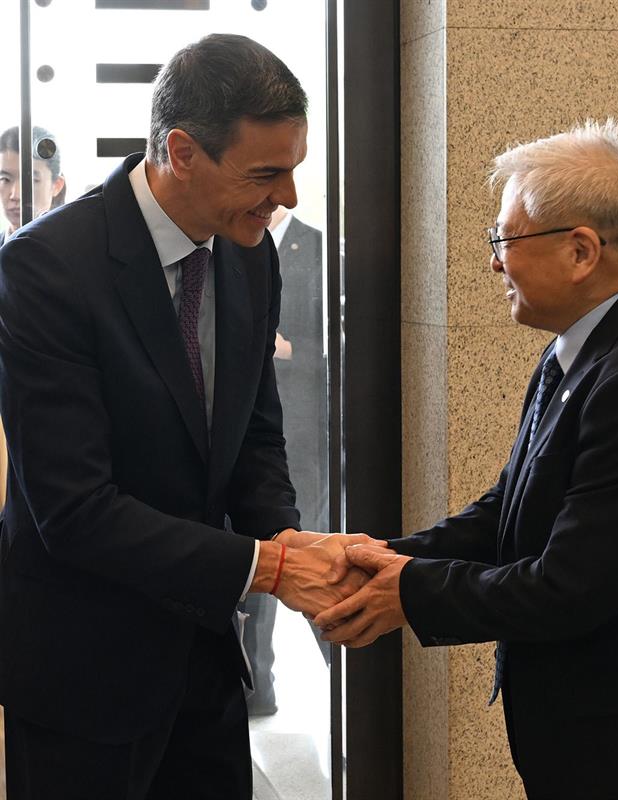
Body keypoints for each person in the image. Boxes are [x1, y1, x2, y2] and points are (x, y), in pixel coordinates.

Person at [314, 119, 618, 799]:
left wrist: (409, 591)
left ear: (580, 251)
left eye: (504, 239)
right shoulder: (580, 351)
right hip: (601, 750)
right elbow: (504, 515)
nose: (493, 260)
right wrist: (380, 558)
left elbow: (570, 588)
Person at [0, 34, 371, 799]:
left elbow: (256, 437)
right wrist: (266, 567)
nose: (290, 199)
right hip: (84, 679)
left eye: (295, 169)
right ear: (181, 151)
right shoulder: (45, 269)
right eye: (267, 174)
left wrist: (293, 542)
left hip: (204, 668)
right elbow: (74, 511)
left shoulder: (248, 252)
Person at [241, 207, 331, 715]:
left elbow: (337, 338)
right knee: (257, 556)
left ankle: (341, 674)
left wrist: (289, 348)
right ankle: (257, 684)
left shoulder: (314, 246)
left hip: (300, 425)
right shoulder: (230, 242)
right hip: (251, 430)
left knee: (300, 546)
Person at [0, 125, 66, 240]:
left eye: (31, 180)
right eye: (5, 179)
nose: (15, 195)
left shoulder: (73, 249)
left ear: (56, 185)